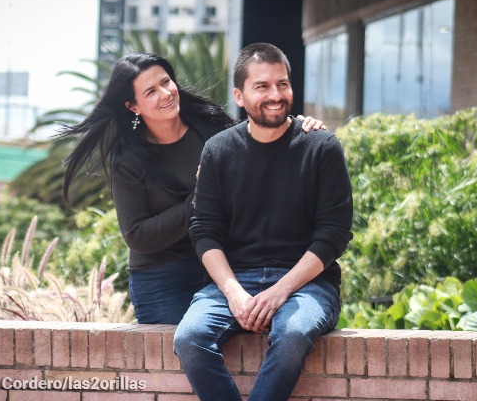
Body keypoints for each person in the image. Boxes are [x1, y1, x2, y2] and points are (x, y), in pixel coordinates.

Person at [60, 52, 325, 325]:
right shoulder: (128, 160)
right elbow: (138, 236)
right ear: (133, 106)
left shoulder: (211, 127)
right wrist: (202, 194)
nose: (165, 93)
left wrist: (298, 128)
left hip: (229, 268)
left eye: (166, 82)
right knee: (179, 350)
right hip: (163, 279)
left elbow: (261, 147)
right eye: (151, 91)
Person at [173, 43, 354, 401]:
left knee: (292, 335)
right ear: (239, 96)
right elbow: (205, 231)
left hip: (308, 285)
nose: (275, 95)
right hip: (235, 281)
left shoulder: (321, 147)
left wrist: (280, 290)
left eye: (282, 84)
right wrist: (234, 293)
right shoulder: (218, 150)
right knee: (189, 338)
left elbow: (333, 234)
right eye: (262, 86)